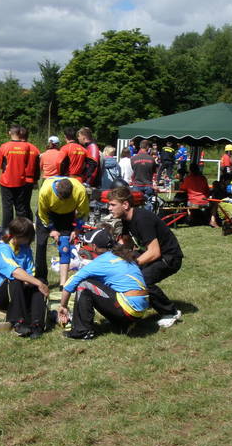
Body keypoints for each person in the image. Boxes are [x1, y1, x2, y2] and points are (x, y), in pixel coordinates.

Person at [107, 186, 184, 327]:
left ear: (125, 205)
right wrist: (110, 257)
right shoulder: (126, 218)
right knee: (125, 273)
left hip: (170, 257)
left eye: (112, 205)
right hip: (154, 254)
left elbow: (154, 252)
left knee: (141, 280)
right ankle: (137, 302)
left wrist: (131, 265)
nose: (109, 208)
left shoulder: (142, 219)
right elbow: (126, 242)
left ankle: (170, 312)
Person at [59, 228, 149, 340]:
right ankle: (123, 324)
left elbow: (70, 284)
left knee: (84, 285)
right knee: (96, 283)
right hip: (140, 311)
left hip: (128, 310)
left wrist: (63, 306)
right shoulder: (124, 255)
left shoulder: (101, 261)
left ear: (94, 247)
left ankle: (82, 331)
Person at [0, 217, 49, 339]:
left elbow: (30, 272)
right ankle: (17, 322)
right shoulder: (3, 249)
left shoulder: (26, 249)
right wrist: (35, 282)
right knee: (16, 280)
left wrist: (36, 282)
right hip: (1, 295)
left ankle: (37, 323)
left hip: (22, 290)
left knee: (39, 282)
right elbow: (15, 271)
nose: (30, 240)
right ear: (18, 236)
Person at [35, 177, 89, 286]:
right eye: (61, 198)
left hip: (66, 215)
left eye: (67, 199)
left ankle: (63, 284)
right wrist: (52, 229)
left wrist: (77, 229)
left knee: (65, 246)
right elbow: (42, 214)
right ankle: (41, 279)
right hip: (48, 214)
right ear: (56, 188)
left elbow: (83, 213)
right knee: (41, 244)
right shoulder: (45, 191)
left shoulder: (80, 191)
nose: (63, 201)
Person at [0, 125, 32, 230]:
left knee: (7, 208)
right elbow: (26, 163)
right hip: (20, 181)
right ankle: (21, 230)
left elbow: (0, 164)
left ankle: (7, 232)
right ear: (19, 133)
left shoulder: (4, 146)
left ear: (10, 133)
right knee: (20, 208)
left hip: (6, 181)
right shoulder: (26, 147)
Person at [18, 126, 40, 221]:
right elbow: (37, 167)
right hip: (30, 180)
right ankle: (29, 223)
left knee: (19, 206)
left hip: (18, 180)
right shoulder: (35, 149)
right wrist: (36, 180)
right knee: (26, 204)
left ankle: (20, 225)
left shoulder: (17, 148)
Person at [130, 139, 157, 210]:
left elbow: (133, 171)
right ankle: (146, 216)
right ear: (147, 147)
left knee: (136, 206)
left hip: (137, 184)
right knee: (147, 204)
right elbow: (154, 172)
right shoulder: (151, 159)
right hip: (148, 185)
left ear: (140, 146)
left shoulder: (133, 158)